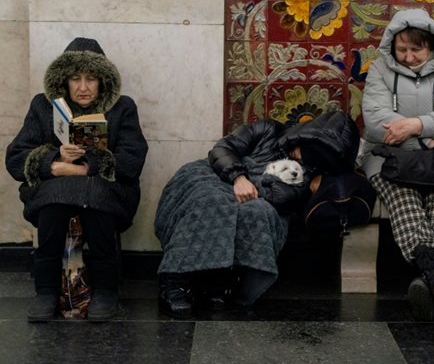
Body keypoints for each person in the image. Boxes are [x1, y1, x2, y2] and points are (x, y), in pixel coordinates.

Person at [154, 110, 359, 319]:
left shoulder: (308, 171)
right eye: (304, 150)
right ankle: (175, 281)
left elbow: (282, 198)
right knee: (210, 201)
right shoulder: (268, 129)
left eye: (312, 157)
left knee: (259, 213)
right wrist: (238, 177)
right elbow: (222, 149)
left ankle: (219, 281)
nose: (300, 157)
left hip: (260, 194)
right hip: (217, 173)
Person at [5, 38, 148, 321]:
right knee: (54, 205)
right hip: (54, 187)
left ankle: (106, 291)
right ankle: (46, 291)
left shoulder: (123, 107)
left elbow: (133, 158)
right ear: (64, 80)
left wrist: (88, 166)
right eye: (75, 78)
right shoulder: (42, 105)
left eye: (91, 78)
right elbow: (15, 157)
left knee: (96, 202)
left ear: (103, 81)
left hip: (105, 190)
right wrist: (53, 161)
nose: (83, 87)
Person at [360, 9, 434, 320]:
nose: (408, 57)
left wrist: (415, 126)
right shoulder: (381, 68)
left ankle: (428, 276)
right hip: (387, 159)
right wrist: (430, 139)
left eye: (416, 49)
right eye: (402, 50)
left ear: (432, 46)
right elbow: (375, 122)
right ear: (392, 46)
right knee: (404, 201)